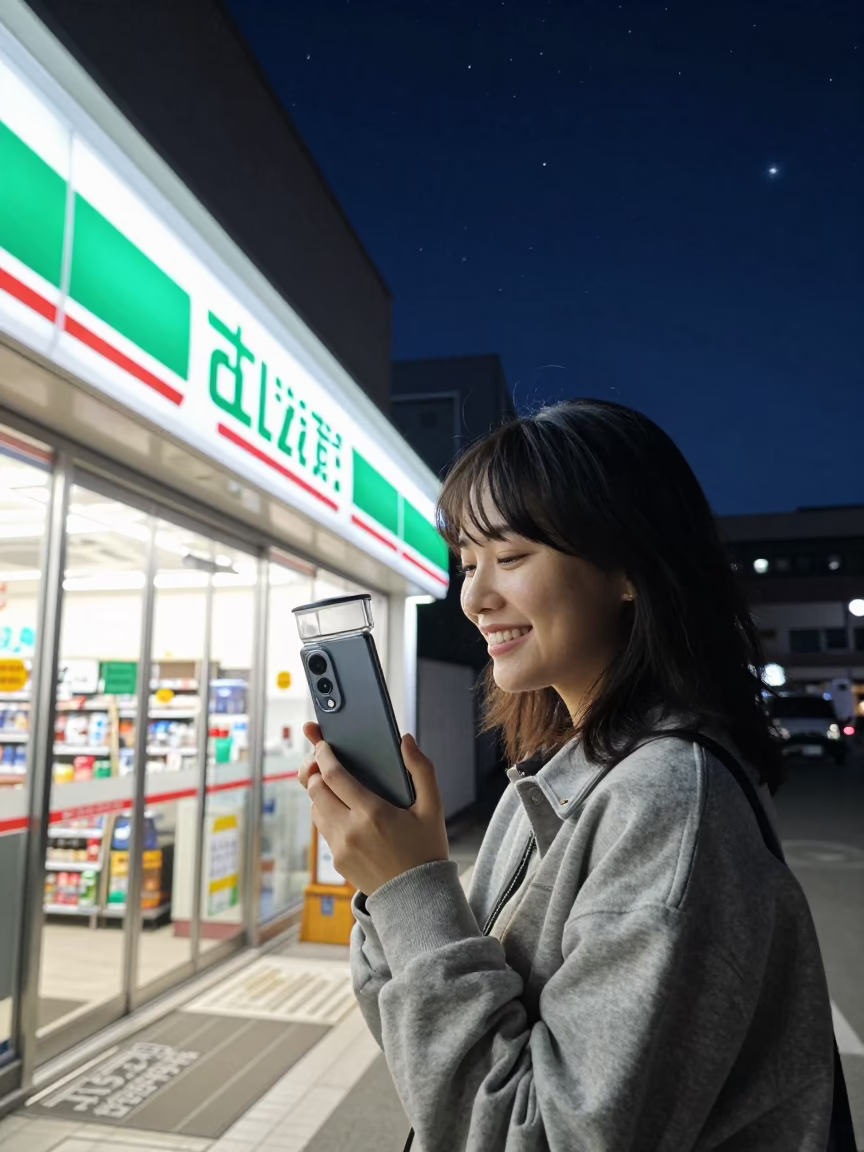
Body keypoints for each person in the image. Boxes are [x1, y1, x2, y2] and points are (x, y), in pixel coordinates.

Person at [298, 399, 838, 1151]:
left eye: (511, 558)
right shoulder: (554, 776)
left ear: (627, 569)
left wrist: (409, 890)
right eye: (467, 563)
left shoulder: (670, 801)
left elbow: (549, 1136)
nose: (476, 597)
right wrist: (391, 883)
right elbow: (430, 1061)